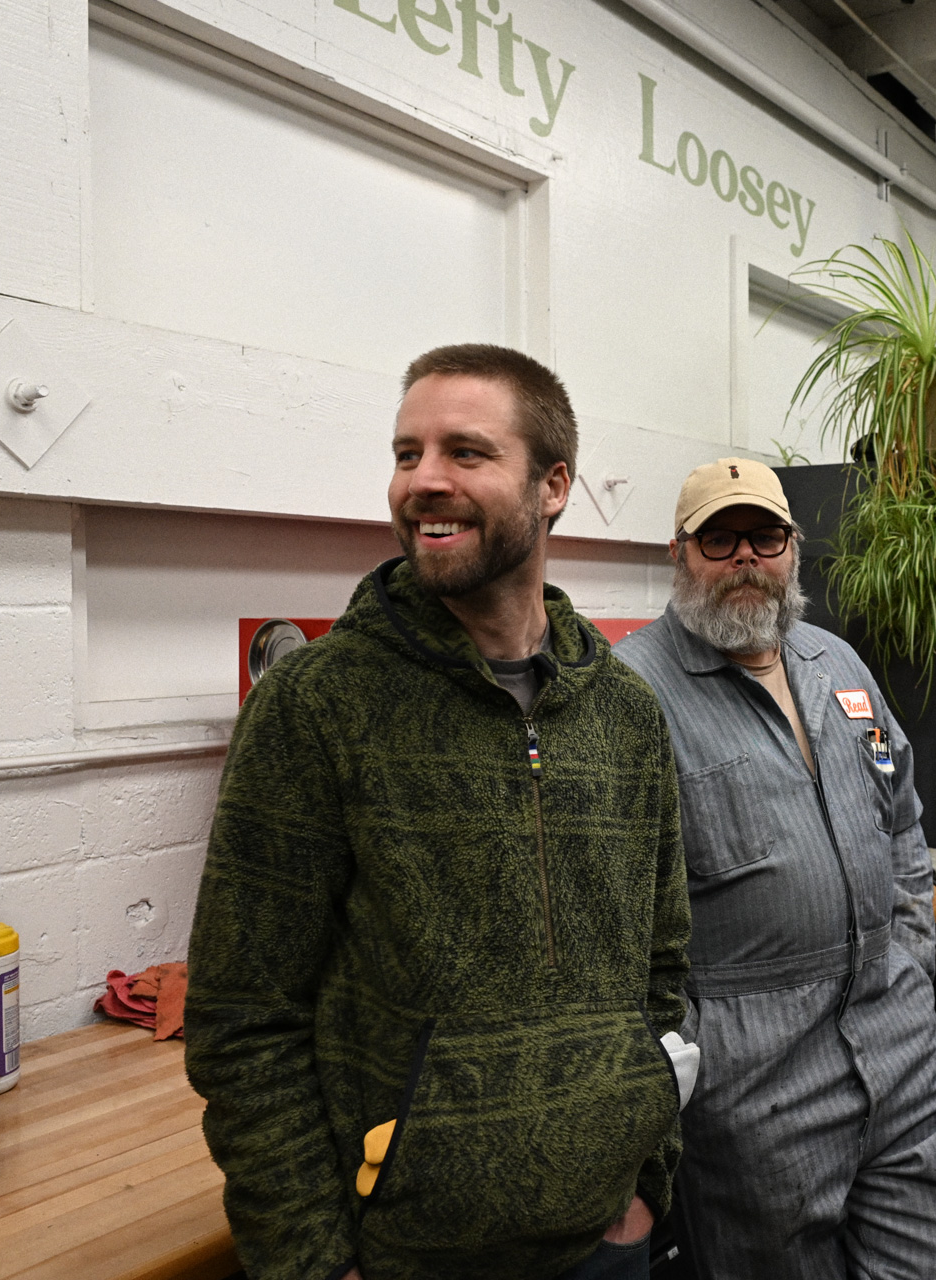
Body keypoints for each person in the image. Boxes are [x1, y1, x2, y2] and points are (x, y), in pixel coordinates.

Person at [185, 344, 692, 1280]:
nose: (424, 482)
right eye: (406, 453)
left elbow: (661, 968)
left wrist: (643, 1178)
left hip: (606, 1243)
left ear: (553, 485)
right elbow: (242, 1017)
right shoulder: (318, 705)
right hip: (405, 1256)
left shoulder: (626, 714)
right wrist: (306, 1257)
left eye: (465, 452)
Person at [614, 459, 936, 1280]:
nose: (745, 556)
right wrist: (698, 1055)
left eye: (765, 536)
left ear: (793, 548)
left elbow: (901, 814)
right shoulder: (632, 696)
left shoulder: (838, 666)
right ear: (679, 554)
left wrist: (906, 962)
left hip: (895, 1051)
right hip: (754, 1093)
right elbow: (613, 925)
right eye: (719, 538)